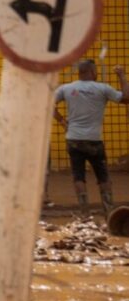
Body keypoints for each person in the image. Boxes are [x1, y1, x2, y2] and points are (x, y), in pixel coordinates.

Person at [53, 60, 129, 216]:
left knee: (78, 176)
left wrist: (62, 121)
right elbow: (126, 98)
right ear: (93, 72)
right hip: (94, 140)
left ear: (79, 72)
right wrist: (121, 75)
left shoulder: (67, 88)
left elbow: (46, 103)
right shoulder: (103, 88)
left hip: (73, 139)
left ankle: (84, 213)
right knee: (103, 177)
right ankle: (109, 211)